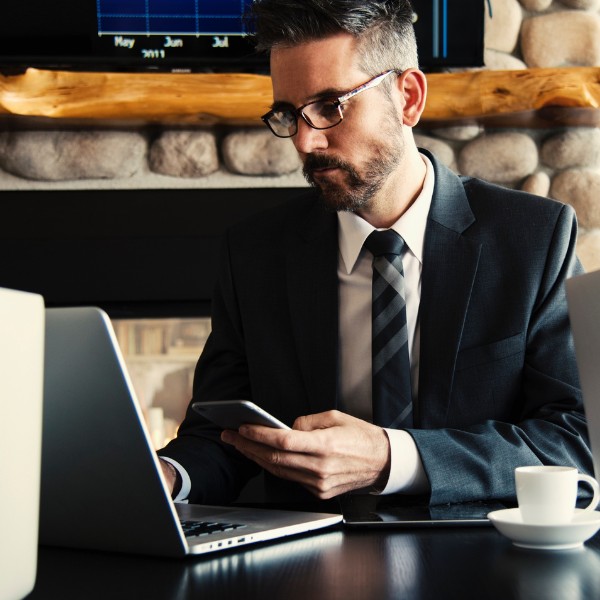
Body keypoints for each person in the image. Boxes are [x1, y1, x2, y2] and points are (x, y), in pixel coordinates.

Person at [158, 0, 592, 507]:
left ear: (408, 97)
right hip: (306, 566)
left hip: (476, 558)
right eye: (287, 114)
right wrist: (165, 475)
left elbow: (575, 441)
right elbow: (220, 436)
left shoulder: (535, 239)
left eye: (330, 106)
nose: (305, 140)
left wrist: (392, 458)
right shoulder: (253, 254)